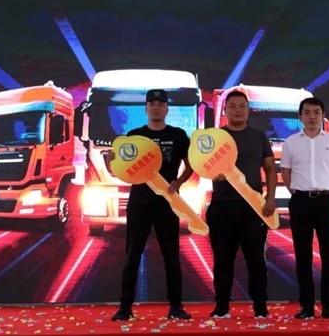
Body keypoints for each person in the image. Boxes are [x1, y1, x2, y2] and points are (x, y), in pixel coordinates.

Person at [111, 89, 193, 321]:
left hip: (168, 203)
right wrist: (110, 163)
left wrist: (179, 181)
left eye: (160, 104)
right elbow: (121, 171)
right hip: (139, 202)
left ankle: (176, 307)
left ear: (167, 109)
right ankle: (125, 307)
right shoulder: (135, 135)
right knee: (132, 255)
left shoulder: (178, 135)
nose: (156, 108)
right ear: (146, 109)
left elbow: (191, 165)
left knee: (171, 256)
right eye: (152, 104)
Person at [207, 90, 277, 318]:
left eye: (242, 107)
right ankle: (222, 306)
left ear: (248, 111)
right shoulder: (216, 138)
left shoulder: (259, 137)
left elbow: (270, 168)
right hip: (222, 206)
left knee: (256, 259)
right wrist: (212, 173)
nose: (238, 111)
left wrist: (270, 198)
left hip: (253, 207)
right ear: (225, 110)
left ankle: (260, 306)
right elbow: (202, 164)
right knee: (222, 260)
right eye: (233, 106)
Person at [280, 97, 329, 319]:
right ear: (300, 117)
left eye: (316, 112)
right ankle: (306, 306)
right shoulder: (291, 142)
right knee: (302, 256)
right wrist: (295, 191)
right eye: (307, 112)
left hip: (327, 202)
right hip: (301, 202)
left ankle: (328, 305)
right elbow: (286, 172)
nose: (312, 116)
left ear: (323, 115)